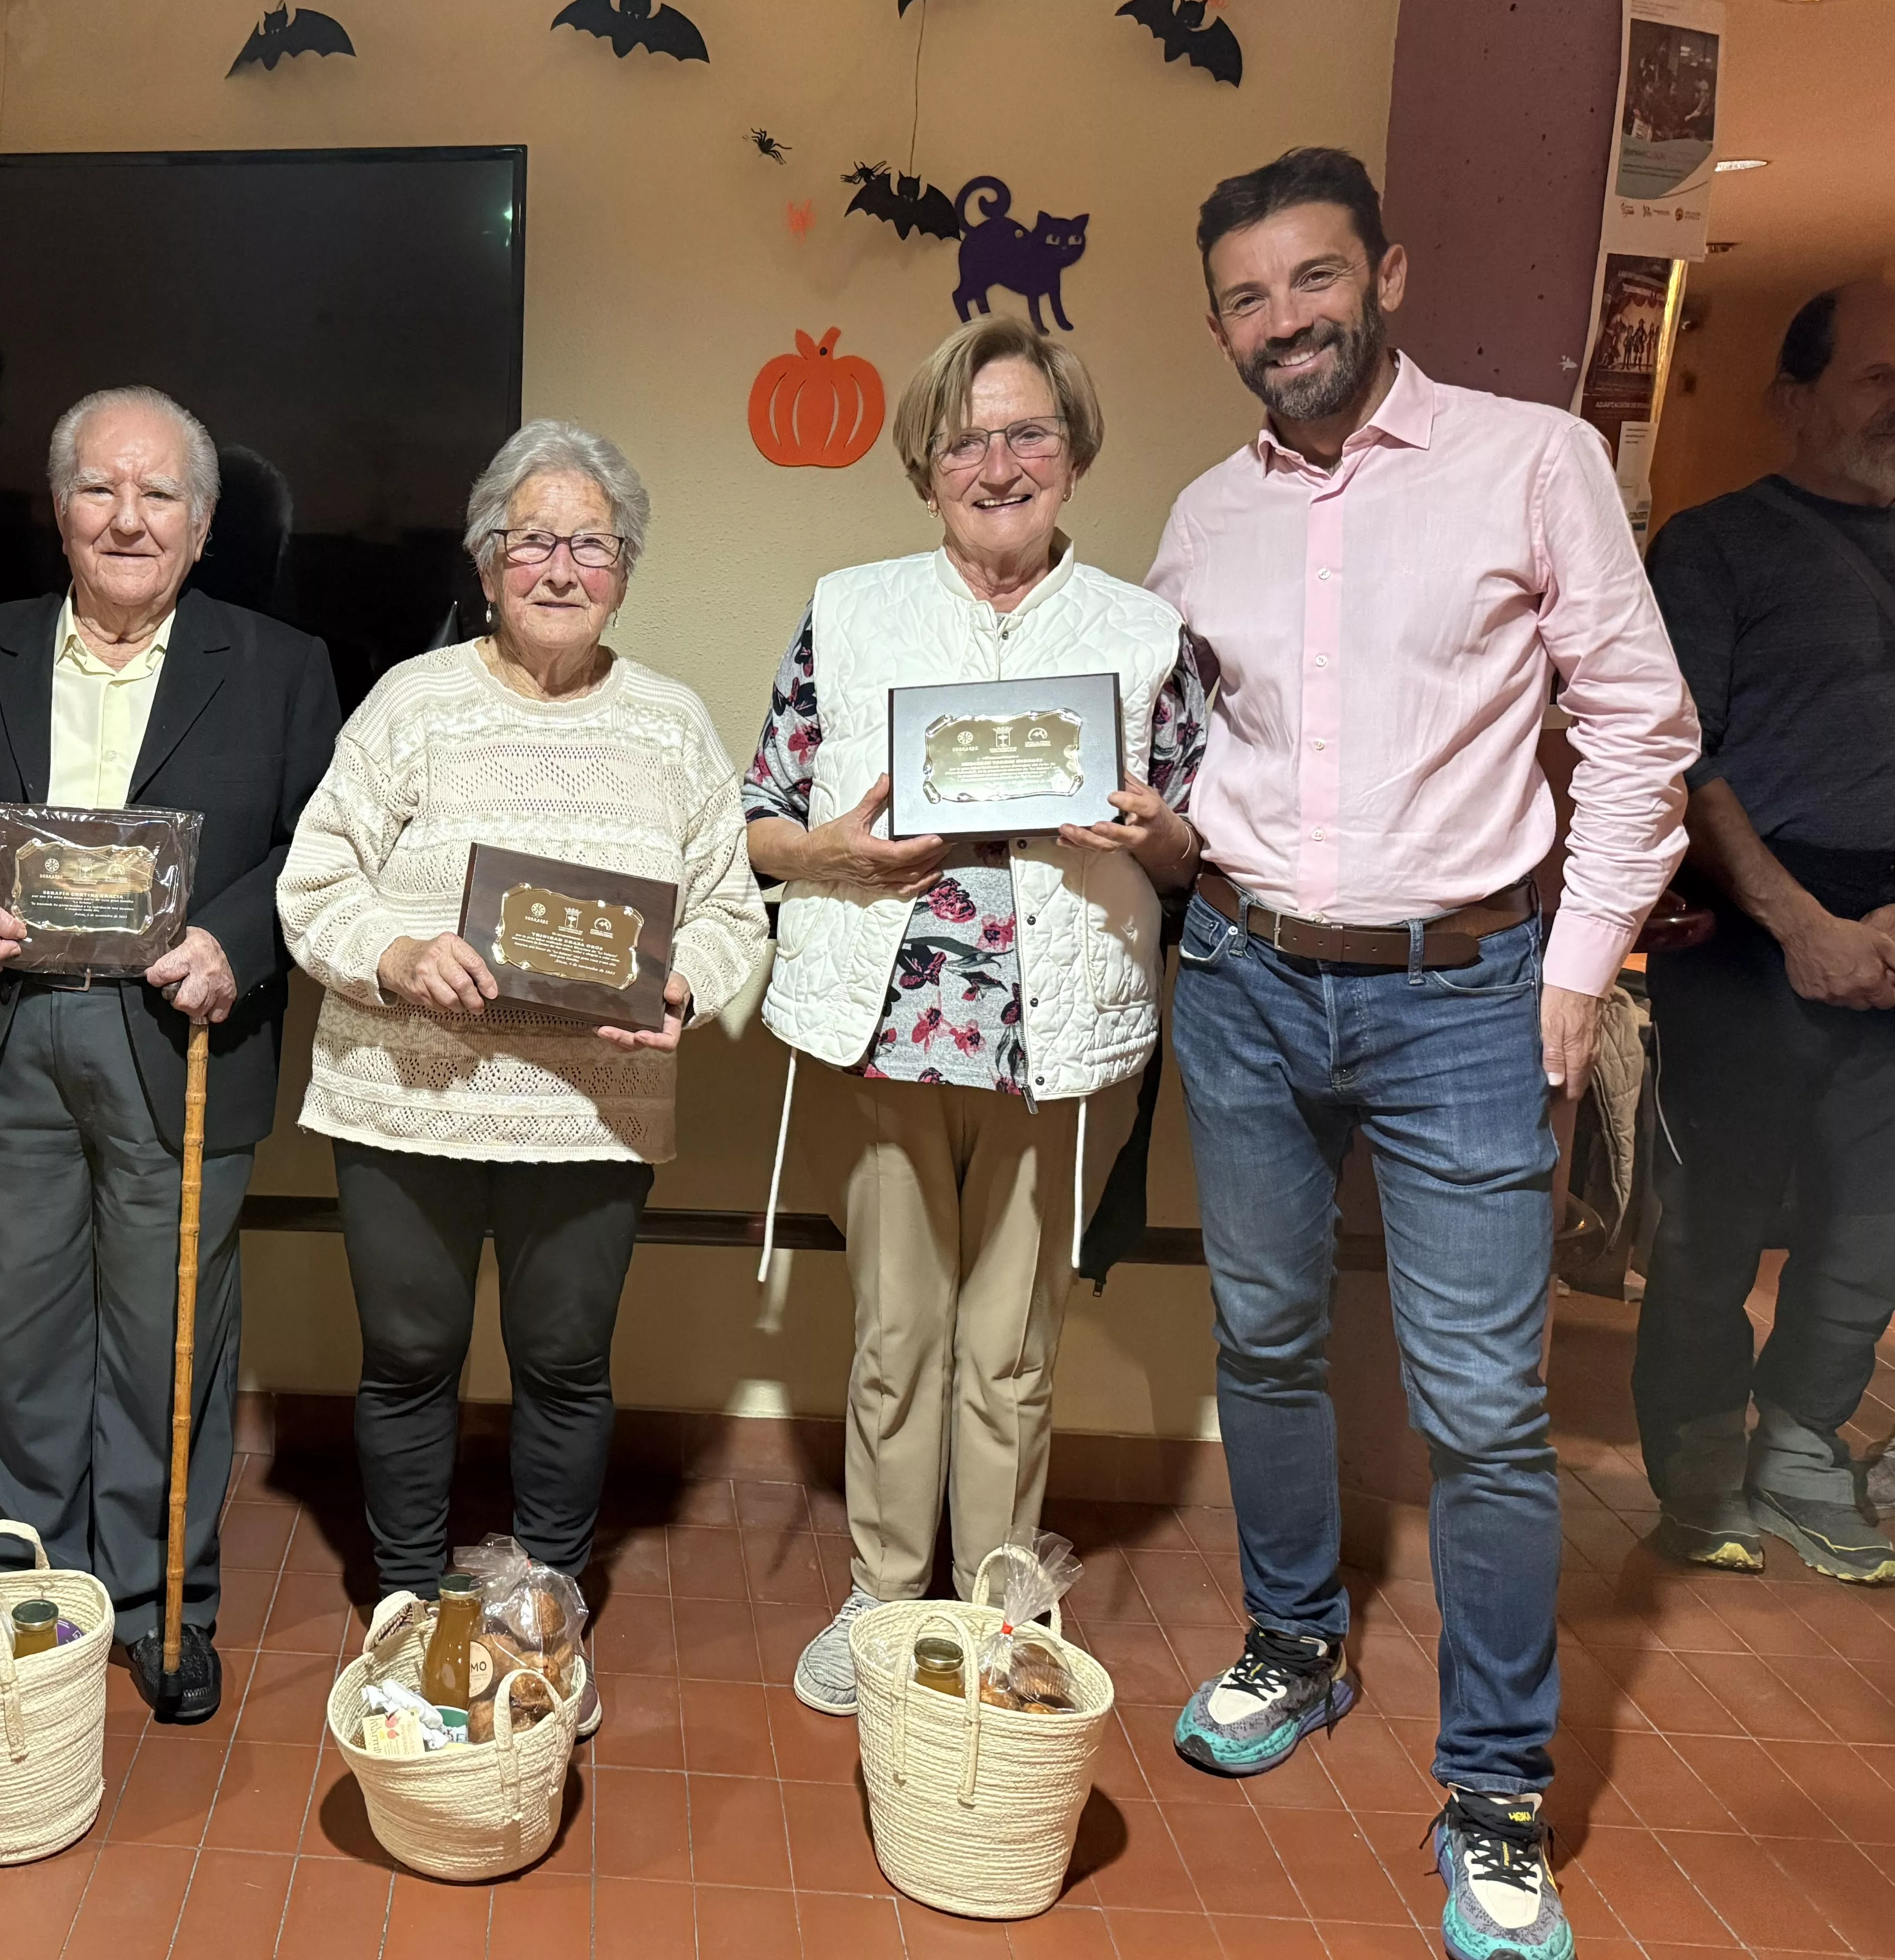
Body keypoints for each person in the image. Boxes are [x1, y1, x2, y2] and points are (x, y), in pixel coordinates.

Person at [1149, 149, 1697, 1960]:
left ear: (1386, 270)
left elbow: (1639, 727)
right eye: (1245, 295)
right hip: (1239, 977)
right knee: (1266, 1337)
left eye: (1311, 280)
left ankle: (1496, 1794)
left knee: (1481, 1410)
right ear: (1218, 317)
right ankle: (1296, 1640)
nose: (1281, 319)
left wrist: (1575, 955)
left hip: (1465, 994)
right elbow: (1176, 760)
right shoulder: (1198, 518)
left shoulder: (1531, 461)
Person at [741, 319, 1203, 1719]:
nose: (998, 463)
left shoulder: (1143, 631)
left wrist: (1149, 827)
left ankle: (1002, 1600)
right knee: (899, 1328)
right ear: (926, 464)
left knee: (1013, 1341)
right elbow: (756, 827)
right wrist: (837, 855)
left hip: (1063, 1043)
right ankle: (888, 1591)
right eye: (968, 438)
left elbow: (1197, 854)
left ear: (1072, 454)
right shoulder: (849, 607)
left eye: (1028, 434)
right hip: (878, 1027)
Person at [0, 386, 340, 1722]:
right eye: (99, 489)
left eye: (160, 494)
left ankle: (154, 1601)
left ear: (201, 524)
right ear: (59, 511)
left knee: (166, 1330)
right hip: (8, 1025)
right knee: (14, 1329)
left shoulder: (282, 663)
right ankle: (35, 1591)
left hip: (180, 1036)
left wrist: (238, 936)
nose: (128, 517)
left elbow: (324, 843)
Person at [278, 421, 765, 1734]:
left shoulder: (672, 723)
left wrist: (684, 984)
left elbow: (732, 912)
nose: (561, 565)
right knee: (409, 1357)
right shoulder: (412, 700)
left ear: (626, 569)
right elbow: (312, 882)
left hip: (591, 1111)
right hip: (407, 1097)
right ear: (488, 561)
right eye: (533, 539)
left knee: (563, 1361)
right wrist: (395, 949)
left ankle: (546, 1606)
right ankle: (408, 1603)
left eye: (591, 543)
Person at [1632, 276, 1895, 1585]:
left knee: (1872, 1227)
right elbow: (1683, 752)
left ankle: (1805, 1443)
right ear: (1793, 397)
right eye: (1876, 376)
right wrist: (1801, 921)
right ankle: (1694, 1452)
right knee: (1713, 1220)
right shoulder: (1716, 543)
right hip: (1751, 934)